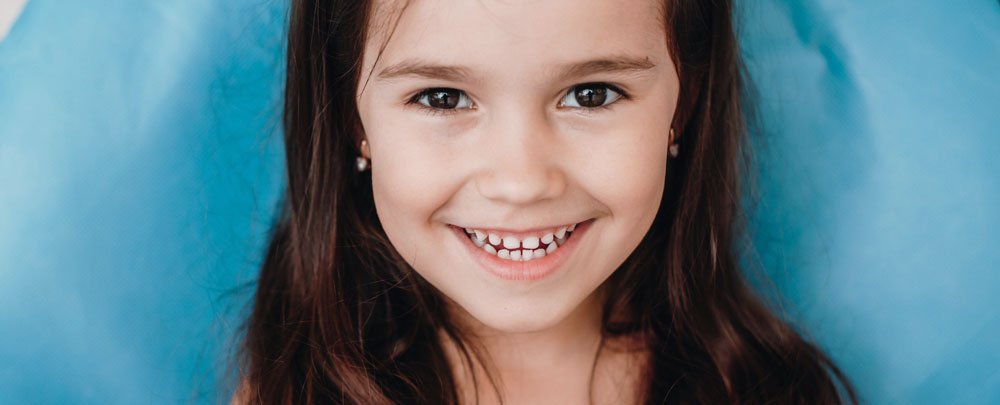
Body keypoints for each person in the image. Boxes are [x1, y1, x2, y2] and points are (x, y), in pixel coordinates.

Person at [234, 0, 859, 403]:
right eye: (443, 99)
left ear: (683, 105)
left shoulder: (765, 392)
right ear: (352, 118)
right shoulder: (293, 395)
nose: (522, 180)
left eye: (591, 94)